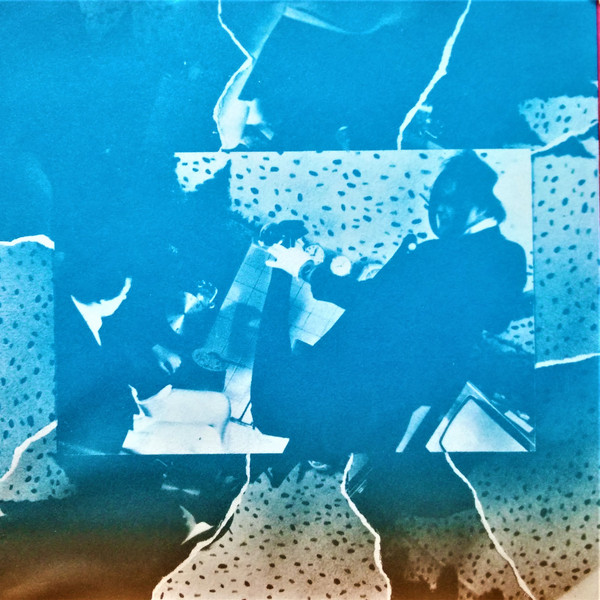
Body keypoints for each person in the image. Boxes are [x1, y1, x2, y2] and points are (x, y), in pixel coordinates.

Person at [251, 151, 527, 460]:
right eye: (435, 201)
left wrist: (307, 270)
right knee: (271, 408)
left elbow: (373, 300)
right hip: (381, 385)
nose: (437, 211)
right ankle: (282, 255)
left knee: (273, 407)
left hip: (372, 385)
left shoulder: (454, 253)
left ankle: (282, 255)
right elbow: (495, 319)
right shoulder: (504, 255)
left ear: (479, 200)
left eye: (446, 199)